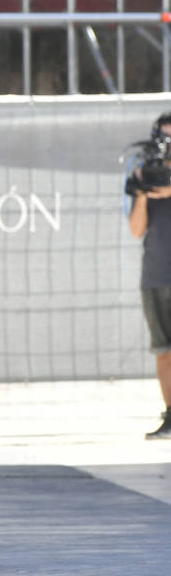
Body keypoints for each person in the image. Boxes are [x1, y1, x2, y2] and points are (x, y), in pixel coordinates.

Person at [126, 112, 171, 440]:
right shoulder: (146, 173)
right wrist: (142, 192)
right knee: (164, 351)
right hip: (155, 276)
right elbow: (136, 229)